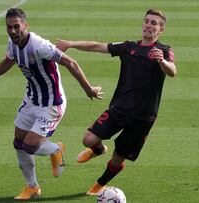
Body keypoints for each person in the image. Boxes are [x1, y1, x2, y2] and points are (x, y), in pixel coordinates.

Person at [0, 8, 103, 200]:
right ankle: (32, 187)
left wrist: (88, 89)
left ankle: (56, 149)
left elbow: (71, 63)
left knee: (30, 145)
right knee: (18, 143)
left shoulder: (40, 46)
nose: (13, 31)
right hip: (32, 99)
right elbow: (8, 61)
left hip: (51, 103)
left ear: (25, 25)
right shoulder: (13, 42)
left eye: (17, 27)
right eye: (9, 27)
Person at [56, 8, 177, 195]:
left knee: (118, 158)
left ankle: (100, 183)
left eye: (154, 23)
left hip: (143, 117)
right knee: (88, 139)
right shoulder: (128, 47)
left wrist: (162, 62)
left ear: (161, 30)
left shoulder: (164, 51)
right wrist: (71, 43)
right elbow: (98, 46)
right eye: (147, 21)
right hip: (119, 108)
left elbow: (173, 71)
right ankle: (98, 150)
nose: (149, 25)